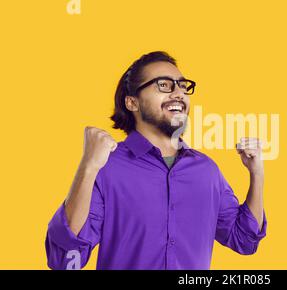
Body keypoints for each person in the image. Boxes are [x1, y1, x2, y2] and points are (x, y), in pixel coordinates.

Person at [45, 51, 267, 270]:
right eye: (164, 85)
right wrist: (88, 166)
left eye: (182, 86)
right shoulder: (106, 167)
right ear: (133, 102)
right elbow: (64, 260)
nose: (178, 93)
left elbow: (244, 240)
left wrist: (257, 174)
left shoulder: (206, 171)